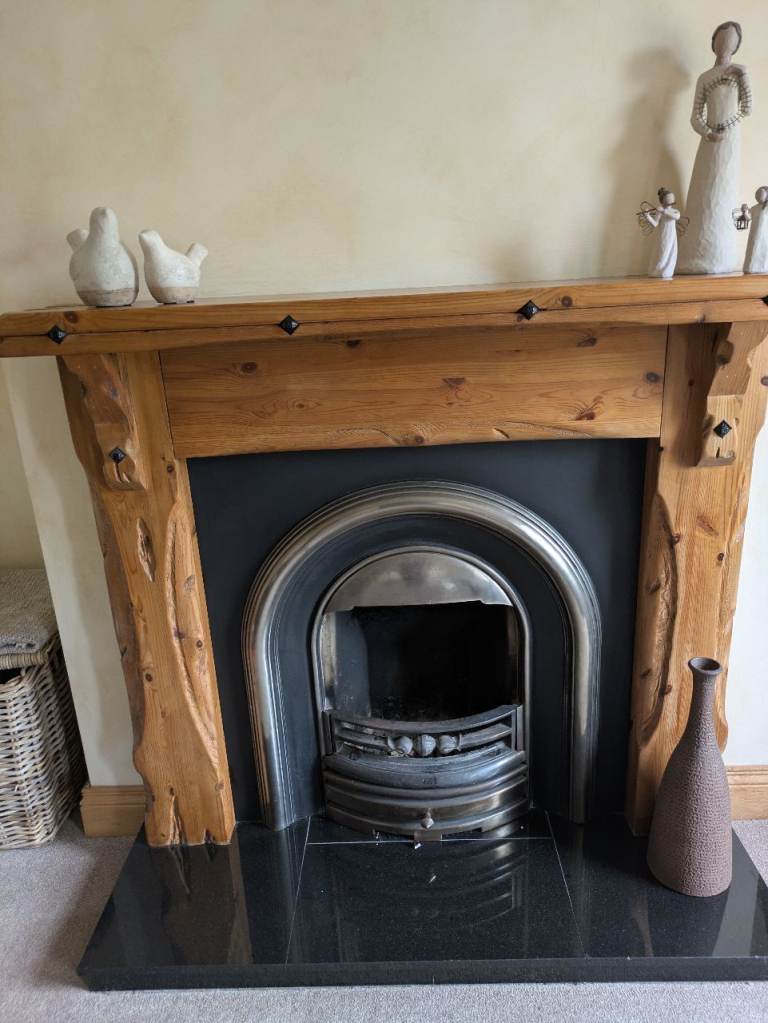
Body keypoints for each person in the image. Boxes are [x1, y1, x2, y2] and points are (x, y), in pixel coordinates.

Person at [677, 21, 752, 274]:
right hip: (709, 142)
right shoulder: (705, 78)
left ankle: (722, 254)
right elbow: (695, 116)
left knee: (724, 190)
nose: (725, 44)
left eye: (730, 40)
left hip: (730, 141)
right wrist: (708, 133)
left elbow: (747, 108)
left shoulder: (740, 72)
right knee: (703, 189)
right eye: (721, 39)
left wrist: (744, 78)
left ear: (736, 45)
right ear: (714, 43)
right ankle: (695, 254)